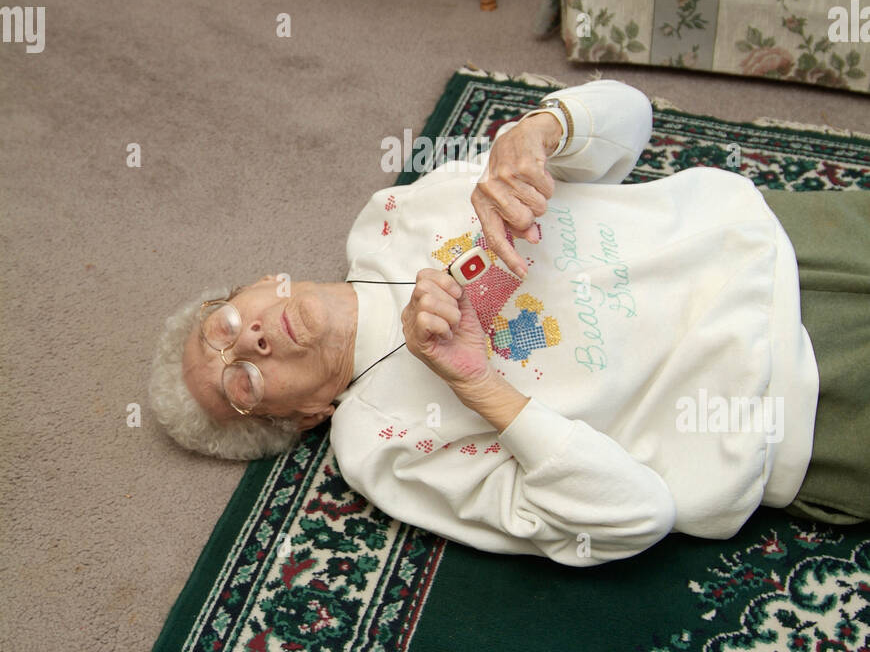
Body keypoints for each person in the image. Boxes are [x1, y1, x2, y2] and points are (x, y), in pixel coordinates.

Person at [150, 79, 870, 568]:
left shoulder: (390, 217)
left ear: (258, 282)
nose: (248, 340)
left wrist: (539, 131)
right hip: (804, 410)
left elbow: (632, 116)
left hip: (787, 239)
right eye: (242, 379)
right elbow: (629, 520)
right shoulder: (376, 446)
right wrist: (476, 383)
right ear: (302, 414)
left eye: (226, 325)